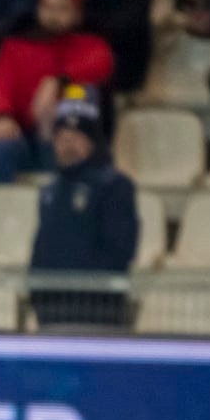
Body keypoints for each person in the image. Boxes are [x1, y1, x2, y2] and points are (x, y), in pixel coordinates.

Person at [29, 87, 135, 327]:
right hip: (51, 312)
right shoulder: (49, 191)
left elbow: (119, 250)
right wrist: (37, 291)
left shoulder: (115, 186)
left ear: (93, 142)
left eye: (76, 137)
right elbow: (41, 247)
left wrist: (88, 291)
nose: (68, 145)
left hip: (97, 313)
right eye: (62, 138)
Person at [0, 0, 114, 182]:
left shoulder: (91, 45)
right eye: (49, 8)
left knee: (81, 93)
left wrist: (58, 82)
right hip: (24, 133)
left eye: (62, 9)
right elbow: (1, 88)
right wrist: (2, 116)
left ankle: (65, 192)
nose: (54, 16)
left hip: (67, 129)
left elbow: (102, 63)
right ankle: (6, 204)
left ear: (77, 14)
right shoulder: (15, 46)